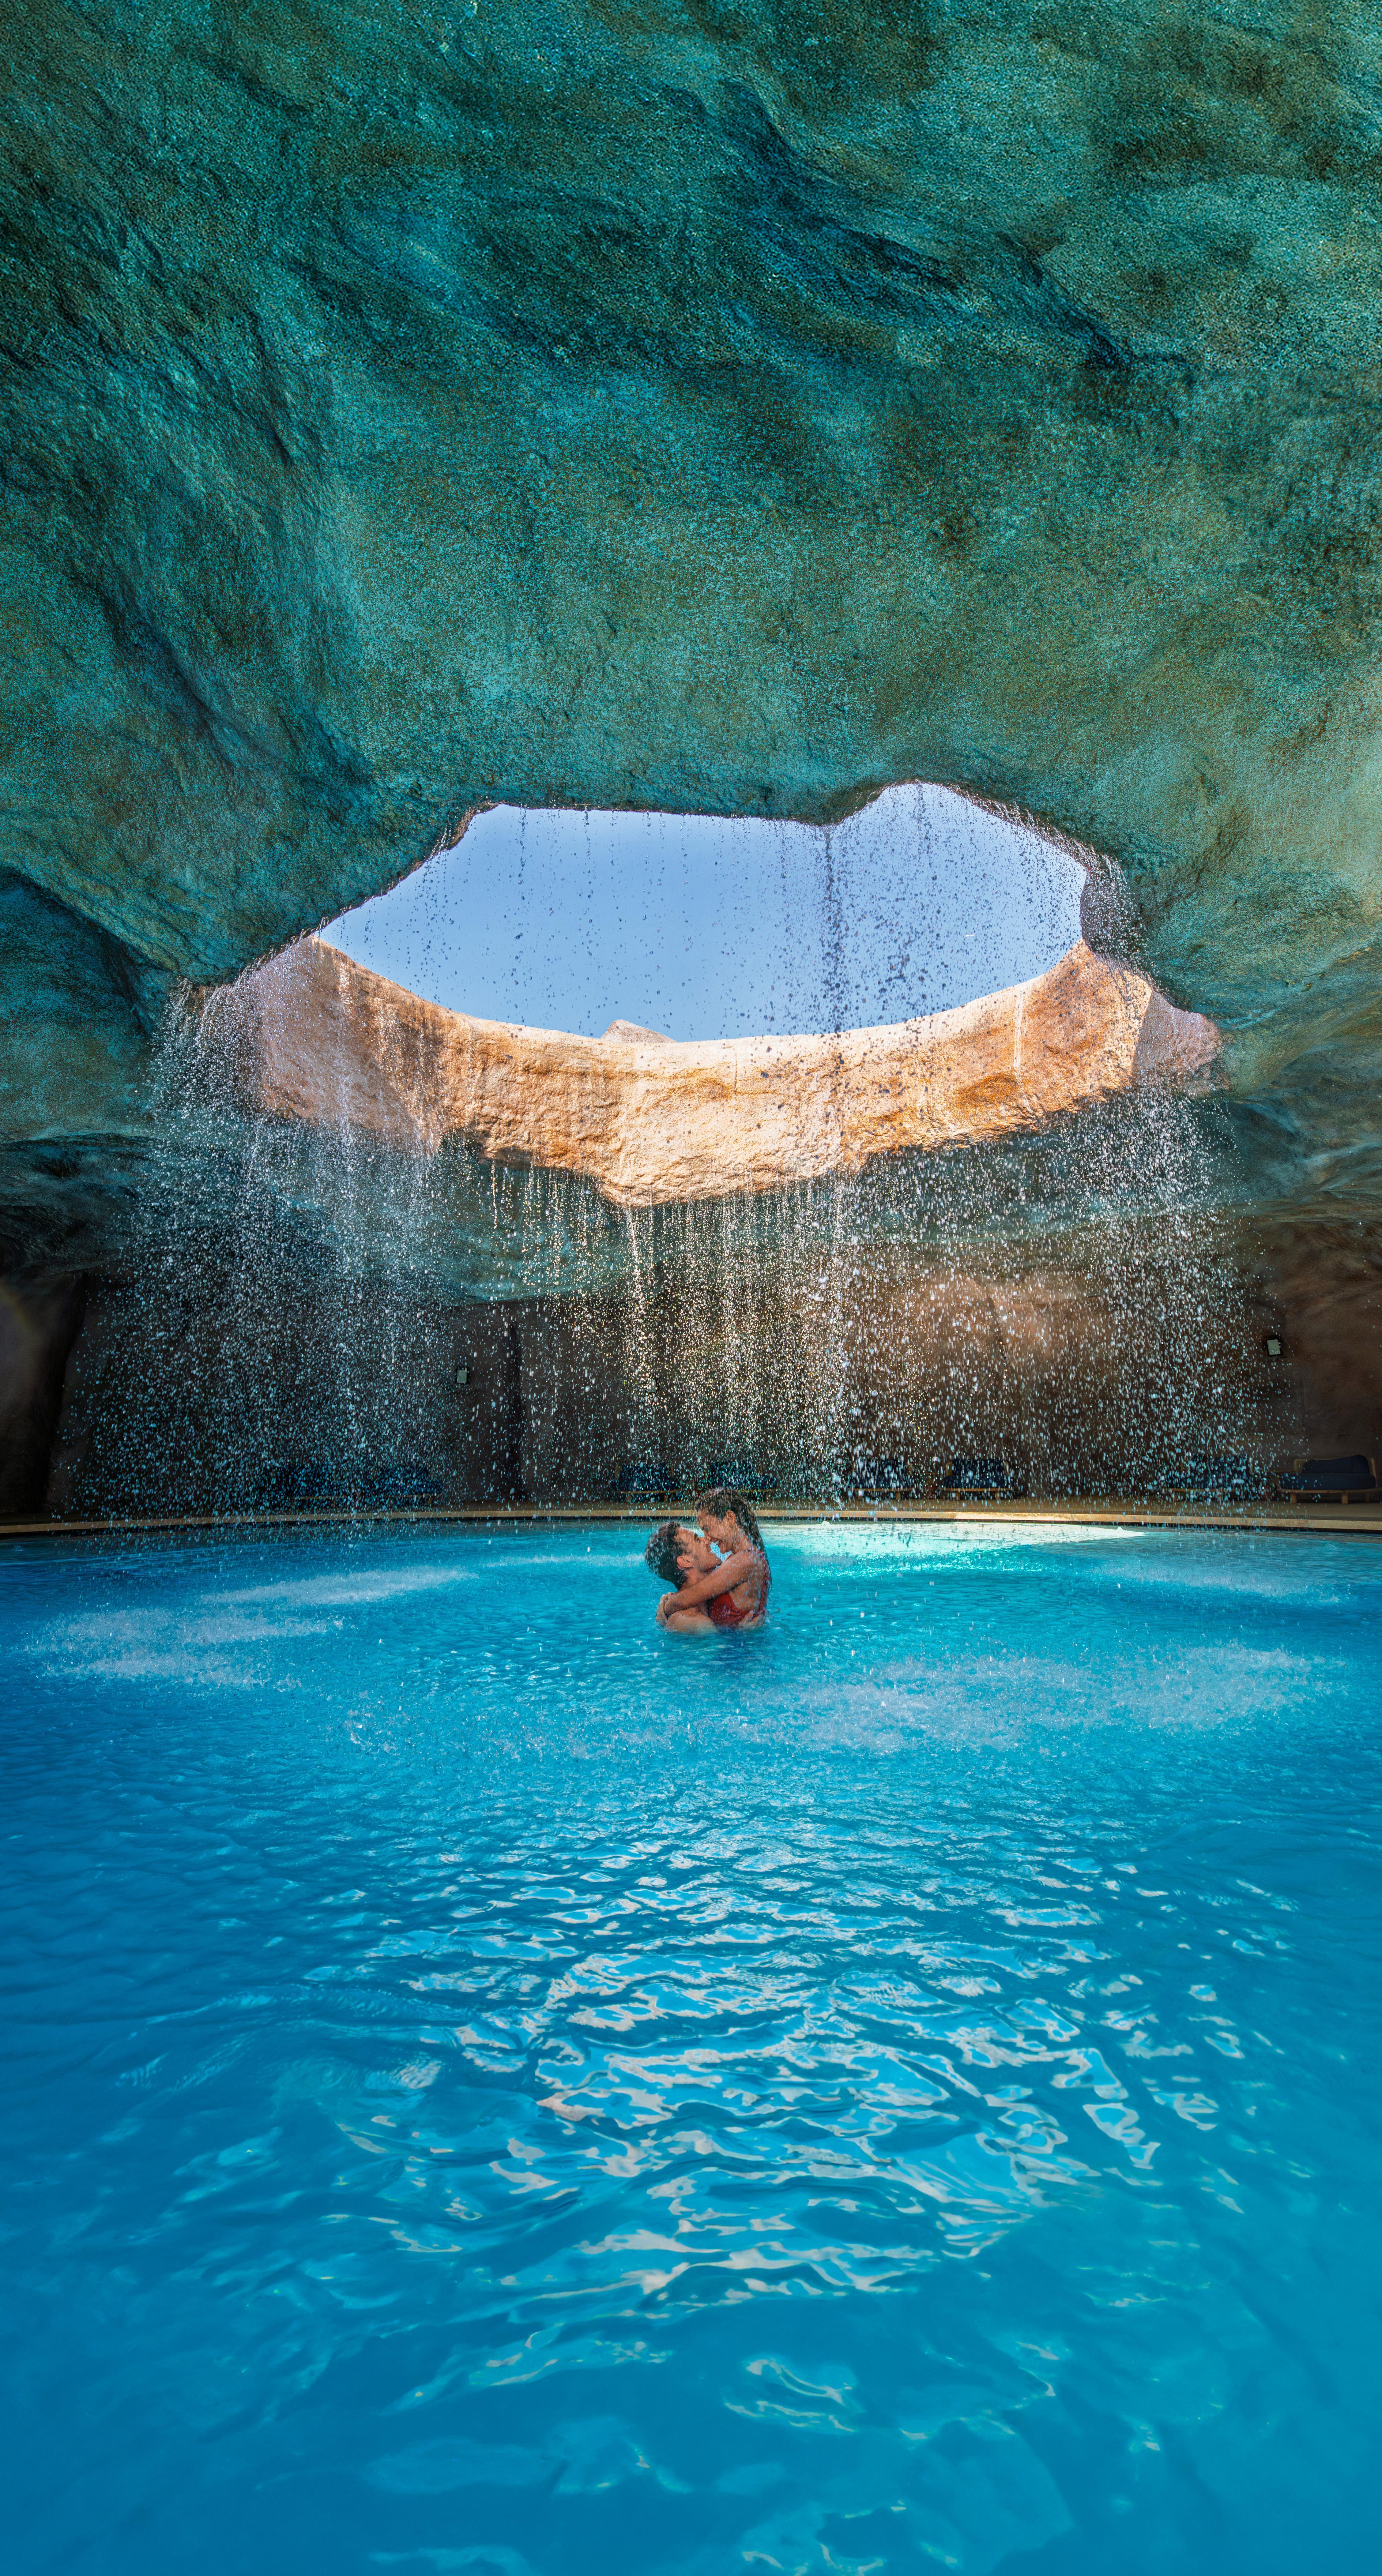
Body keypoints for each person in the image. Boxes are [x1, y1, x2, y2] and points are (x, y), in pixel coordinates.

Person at [655, 1487, 771, 1630]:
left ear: (730, 1519)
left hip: (740, 1651)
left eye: (707, 1529)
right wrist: (666, 1598)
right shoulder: (736, 1559)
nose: (707, 1538)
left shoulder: (746, 1560)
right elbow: (697, 1588)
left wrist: (665, 1607)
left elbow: (691, 1595)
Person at [644, 1520, 720, 1633]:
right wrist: (744, 1632)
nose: (706, 1541)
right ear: (685, 1561)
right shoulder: (693, 1622)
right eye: (697, 1540)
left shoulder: (711, 1599)